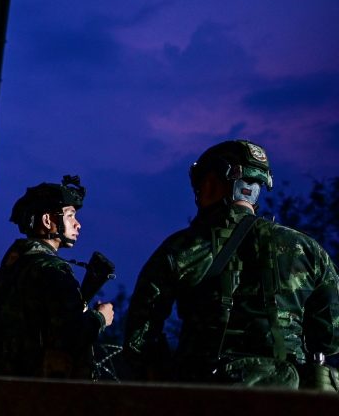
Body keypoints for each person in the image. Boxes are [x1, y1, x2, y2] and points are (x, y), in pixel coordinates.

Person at [123, 139, 339, 388]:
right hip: (289, 396)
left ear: (211, 184)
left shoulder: (182, 248)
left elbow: (139, 337)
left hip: (205, 395)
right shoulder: (307, 249)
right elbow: (331, 338)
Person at [0, 175, 115, 379]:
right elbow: (71, 336)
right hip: (47, 393)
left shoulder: (3, 274)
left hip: (6, 389)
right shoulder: (53, 271)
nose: (78, 225)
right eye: (70, 216)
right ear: (48, 220)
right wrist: (100, 317)